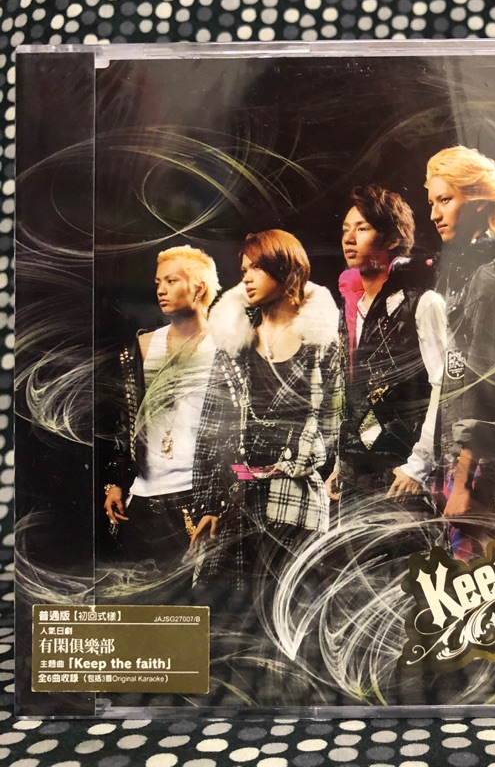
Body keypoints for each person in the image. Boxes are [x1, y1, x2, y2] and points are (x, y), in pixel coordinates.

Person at [190, 229, 341, 594]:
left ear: (286, 269)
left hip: (298, 501)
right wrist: (208, 503)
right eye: (244, 269)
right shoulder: (233, 341)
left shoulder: (322, 341)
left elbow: (336, 420)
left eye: (257, 267)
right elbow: (211, 425)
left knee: (288, 606)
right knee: (227, 608)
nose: (246, 277)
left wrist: (325, 469)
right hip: (236, 499)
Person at [103, 245, 220, 597]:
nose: (161, 290)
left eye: (171, 281)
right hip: (143, 497)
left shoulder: (225, 347)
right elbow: (125, 420)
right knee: (143, 604)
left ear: (199, 288)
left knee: (193, 606)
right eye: (158, 282)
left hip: (195, 496)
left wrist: (219, 502)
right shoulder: (140, 346)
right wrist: (116, 480)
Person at [425, 146, 495, 557]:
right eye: (431, 203)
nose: (434, 214)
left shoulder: (493, 272)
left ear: (479, 201)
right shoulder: (463, 271)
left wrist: (463, 480)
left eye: (445, 200)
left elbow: (485, 385)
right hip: (459, 457)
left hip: (483, 466)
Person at [330, 185, 446, 513]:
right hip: (356, 475)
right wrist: (341, 464)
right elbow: (355, 397)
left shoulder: (423, 303)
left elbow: (444, 387)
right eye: (345, 229)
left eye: (362, 228)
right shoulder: (350, 312)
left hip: (402, 473)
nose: (349, 238)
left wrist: (419, 465)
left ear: (392, 239)